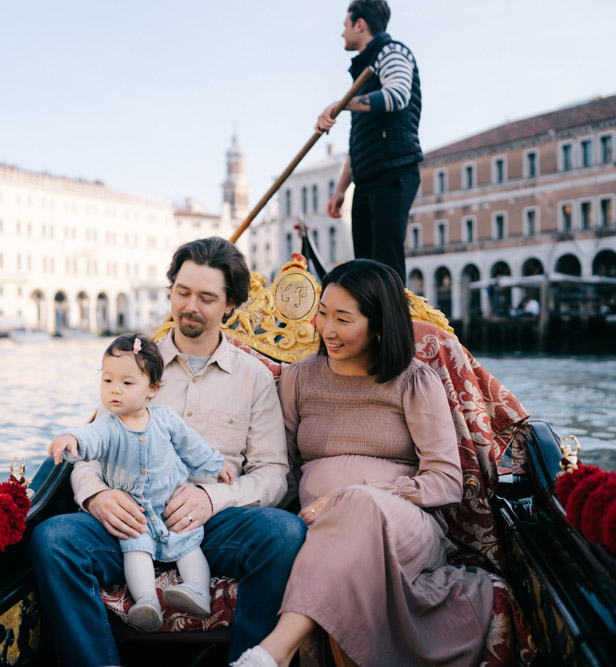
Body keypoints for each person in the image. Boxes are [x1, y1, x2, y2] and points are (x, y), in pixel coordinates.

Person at [29, 237, 307, 666]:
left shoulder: (253, 377)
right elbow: (90, 451)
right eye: (182, 292)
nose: (189, 306)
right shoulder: (134, 364)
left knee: (284, 534)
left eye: (206, 297)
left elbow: (273, 475)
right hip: (130, 522)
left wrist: (211, 498)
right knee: (53, 539)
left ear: (230, 304)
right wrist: (98, 497)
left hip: (212, 526)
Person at [232, 259, 494, 667]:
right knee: (340, 532)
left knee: (358, 502)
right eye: (322, 313)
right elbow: (277, 466)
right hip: (319, 528)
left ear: (377, 324)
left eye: (343, 318)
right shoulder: (299, 379)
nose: (327, 329)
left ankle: (274, 652)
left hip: (406, 526)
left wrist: (352, 498)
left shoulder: (414, 380)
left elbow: (446, 480)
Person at [48, 333, 234, 632]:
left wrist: (216, 465)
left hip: (172, 504)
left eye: (126, 382)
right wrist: (71, 437)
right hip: (136, 513)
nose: (114, 390)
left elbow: (192, 446)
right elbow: (89, 438)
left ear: (153, 388)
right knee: (135, 547)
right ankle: (146, 601)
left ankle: (197, 590)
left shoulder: (165, 419)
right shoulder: (108, 426)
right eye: (107, 380)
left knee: (187, 543)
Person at [316, 0, 422, 283]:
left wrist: (341, 104)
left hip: (393, 172)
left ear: (360, 24)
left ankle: (394, 326)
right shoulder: (363, 75)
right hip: (366, 181)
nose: (342, 33)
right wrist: (340, 190)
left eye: (345, 26)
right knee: (364, 267)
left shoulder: (392, 52)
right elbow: (360, 141)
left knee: (386, 265)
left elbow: (398, 96)